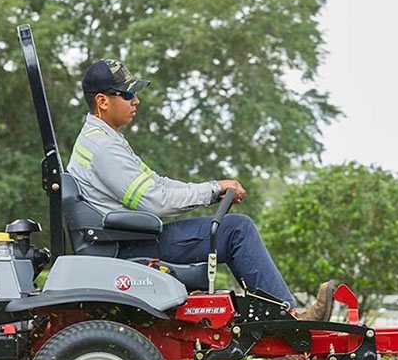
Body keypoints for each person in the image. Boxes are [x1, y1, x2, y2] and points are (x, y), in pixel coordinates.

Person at [67, 59, 333, 321]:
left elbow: (158, 183)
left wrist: (212, 188)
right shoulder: (105, 149)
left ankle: (279, 320)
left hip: (122, 240)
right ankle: (289, 320)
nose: (136, 100)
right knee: (236, 230)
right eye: (128, 94)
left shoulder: (102, 140)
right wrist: (212, 190)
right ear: (102, 101)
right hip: (126, 248)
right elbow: (156, 201)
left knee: (233, 228)